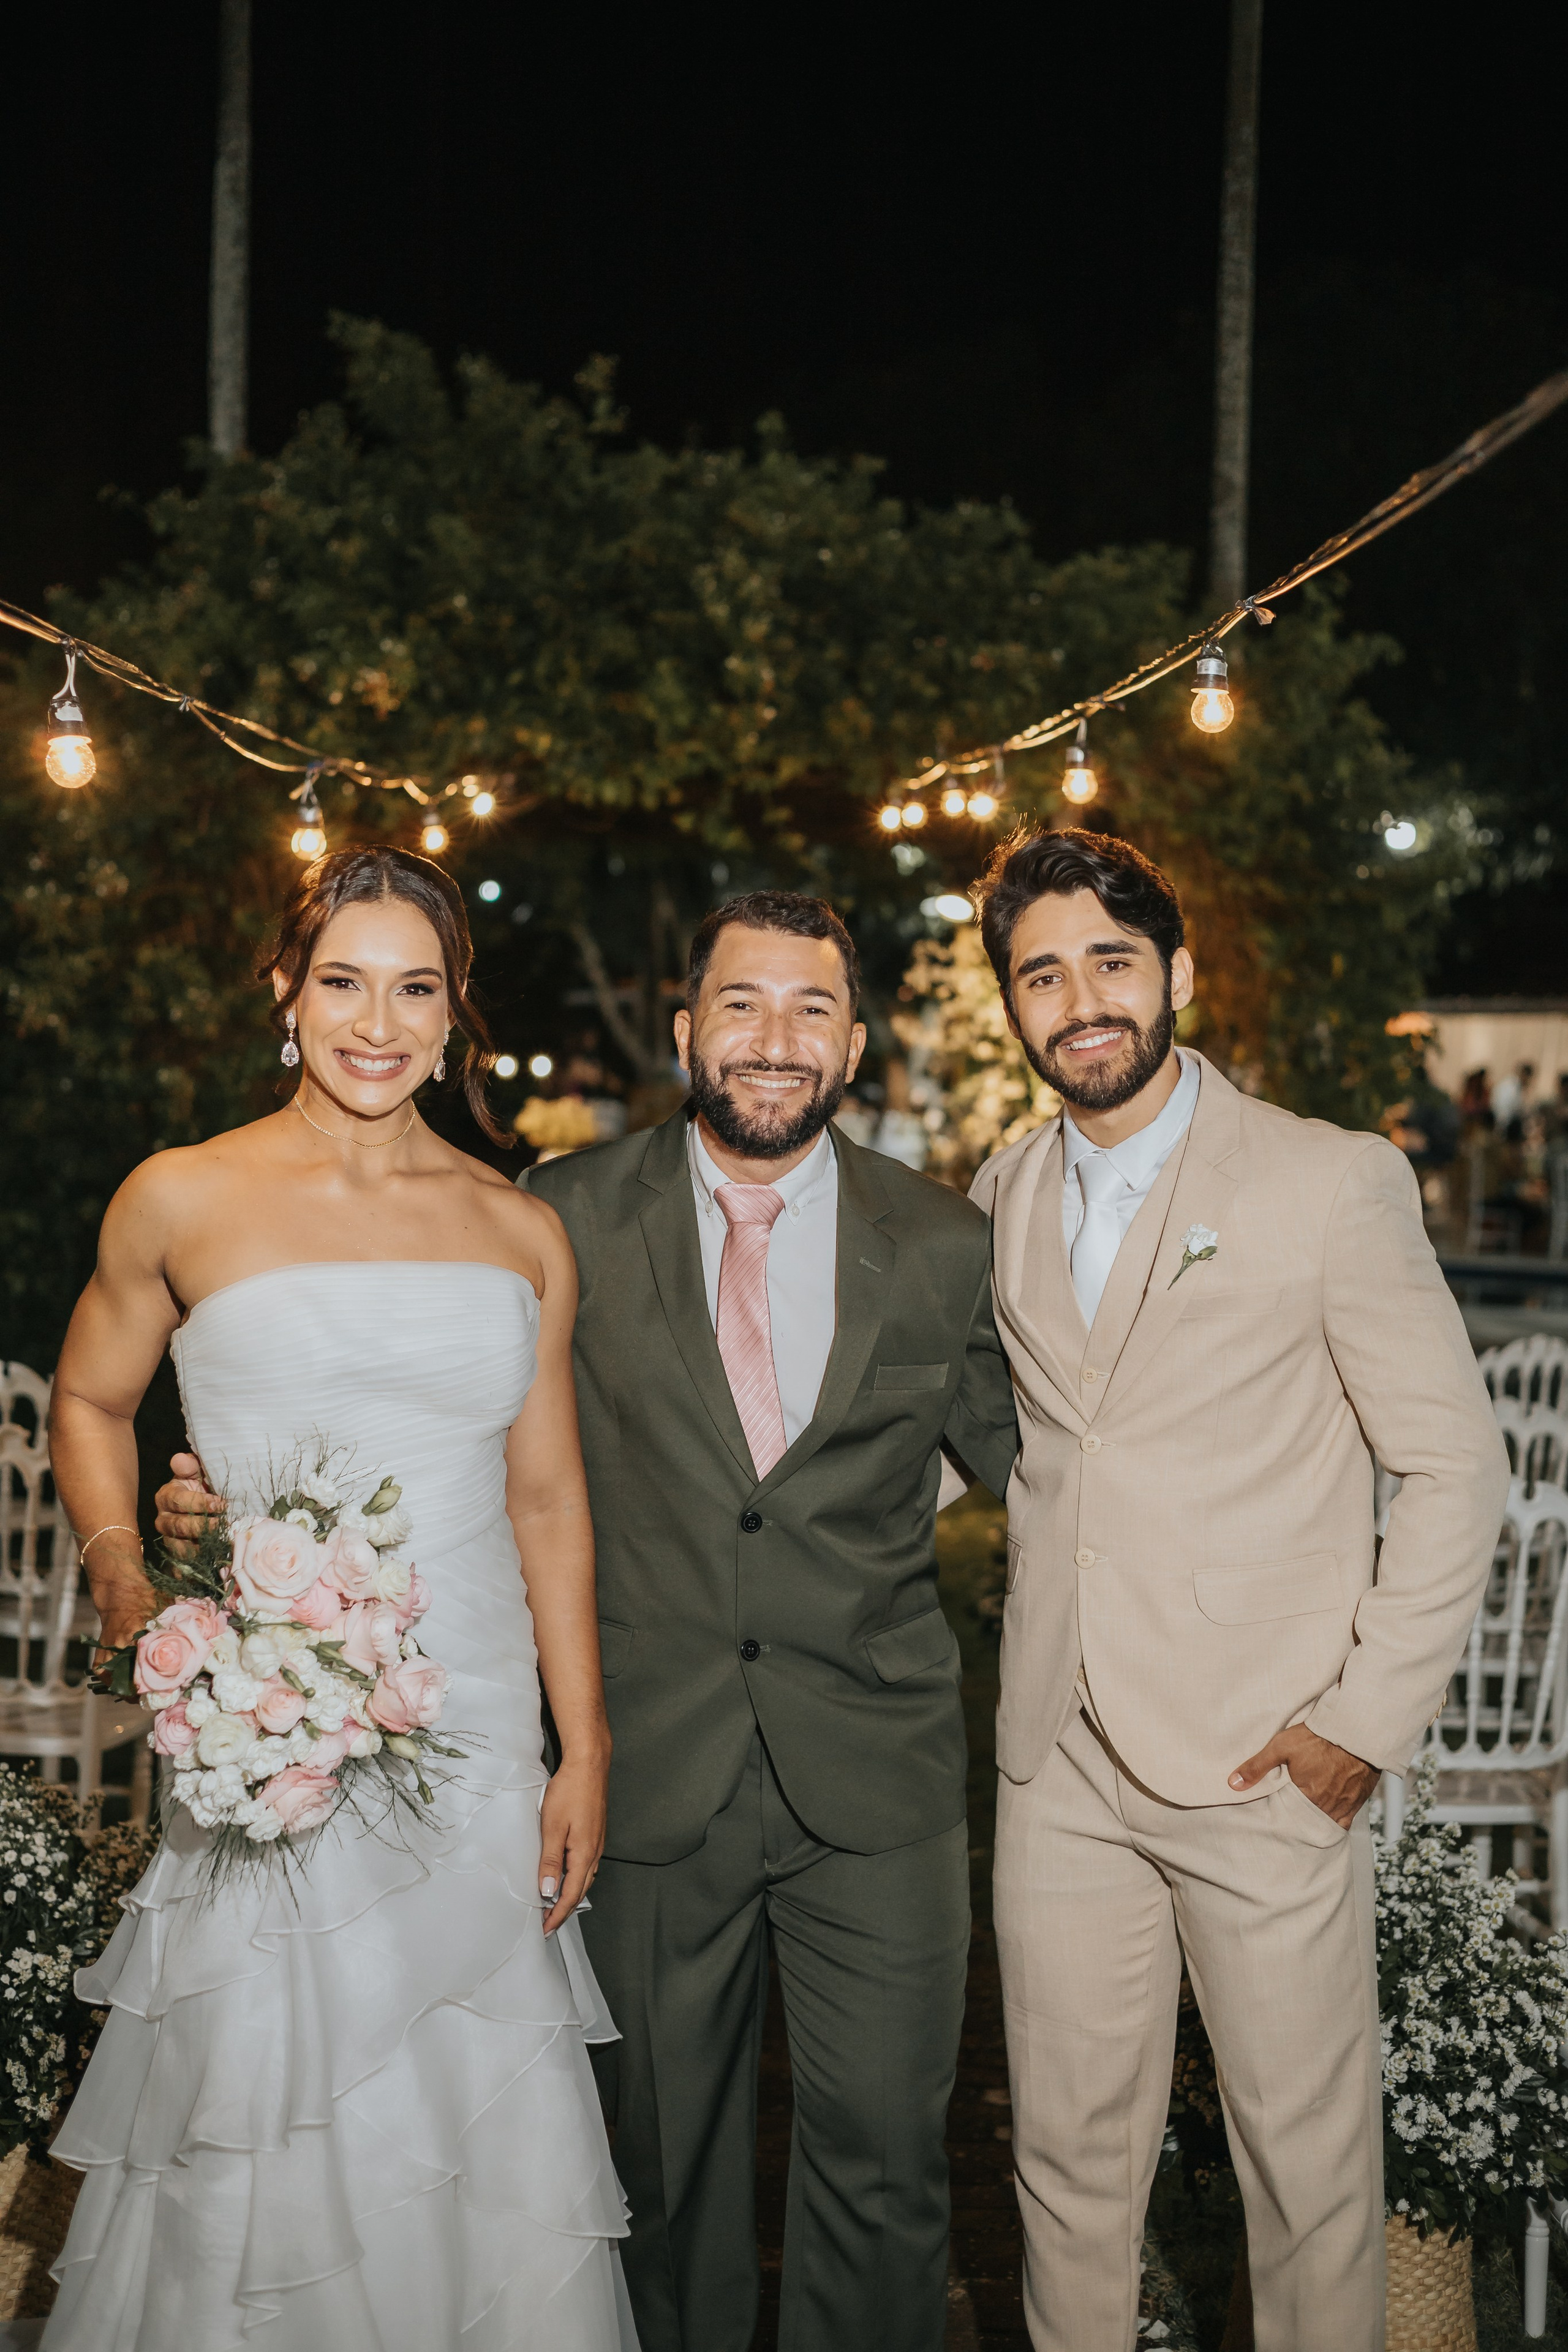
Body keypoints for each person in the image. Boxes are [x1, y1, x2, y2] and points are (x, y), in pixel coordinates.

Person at [49, 848, 636, 2352]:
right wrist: (125, 1563)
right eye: (343, 981)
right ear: (286, 996)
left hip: (477, 1723)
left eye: (415, 989)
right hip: (268, 1727)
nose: (376, 1022)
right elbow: (91, 1399)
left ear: (455, 1021)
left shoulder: (519, 1230)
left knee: (472, 2089)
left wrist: (585, 1745)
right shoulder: (180, 1194)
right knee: (265, 2089)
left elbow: (548, 1499)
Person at [965, 827, 1507, 2352]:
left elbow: (1456, 1467)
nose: (1081, 1000)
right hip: (1056, 1757)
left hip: (1264, 1758)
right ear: (1013, 1003)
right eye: (1042, 972)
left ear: (1178, 973)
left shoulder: (1329, 1180)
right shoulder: (1002, 1189)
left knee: (1306, 2172)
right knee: (1064, 2167)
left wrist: (1360, 1721)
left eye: (1111, 963)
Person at [518, 890, 1019, 2352]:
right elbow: (471, 1441)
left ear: (855, 1043)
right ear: (684, 1028)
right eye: (741, 1003)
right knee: (656, 2173)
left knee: (881, 2162)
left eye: (811, 1010)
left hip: (878, 1774)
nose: (774, 1039)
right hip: (643, 1769)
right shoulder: (562, 1215)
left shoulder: (940, 1243)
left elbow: (1052, 1467)